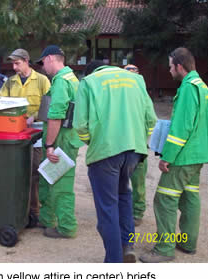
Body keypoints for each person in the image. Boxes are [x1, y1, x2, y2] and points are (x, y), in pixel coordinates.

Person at [73, 60, 157, 262]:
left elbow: (80, 125)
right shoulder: (136, 79)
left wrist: (93, 142)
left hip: (105, 153)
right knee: (124, 196)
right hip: (134, 151)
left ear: (90, 71)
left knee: (107, 208)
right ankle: (127, 246)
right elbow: (151, 119)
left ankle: (113, 261)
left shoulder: (89, 82)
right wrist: (138, 138)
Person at [140, 47, 208, 263]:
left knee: (164, 199)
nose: (169, 70)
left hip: (183, 156)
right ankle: (188, 243)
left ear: (179, 66)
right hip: (198, 155)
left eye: (170, 66)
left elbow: (181, 128)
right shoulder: (203, 87)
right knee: (190, 196)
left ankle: (164, 248)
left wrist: (166, 157)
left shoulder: (188, 88)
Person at [0, 48, 50, 226]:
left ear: (27, 61)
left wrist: (35, 115)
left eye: (17, 63)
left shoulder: (42, 80)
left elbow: (49, 104)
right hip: (15, 137)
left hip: (36, 135)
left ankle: (35, 211)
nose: (14, 66)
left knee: (35, 173)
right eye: (12, 63)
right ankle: (20, 210)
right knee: (17, 173)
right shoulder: (10, 82)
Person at [36, 45, 83, 238]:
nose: (42, 67)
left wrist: (49, 145)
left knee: (61, 185)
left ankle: (66, 227)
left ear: (50, 59)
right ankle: (47, 219)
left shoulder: (62, 82)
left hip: (61, 141)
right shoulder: (70, 78)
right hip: (67, 138)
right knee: (48, 179)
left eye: (43, 63)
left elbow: (55, 116)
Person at [124, 64, 153, 227]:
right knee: (137, 181)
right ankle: (135, 212)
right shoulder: (143, 95)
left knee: (132, 181)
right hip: (138, 146)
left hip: (128, 146)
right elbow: (151, 120)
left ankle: (136, 211)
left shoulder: (121, 96)